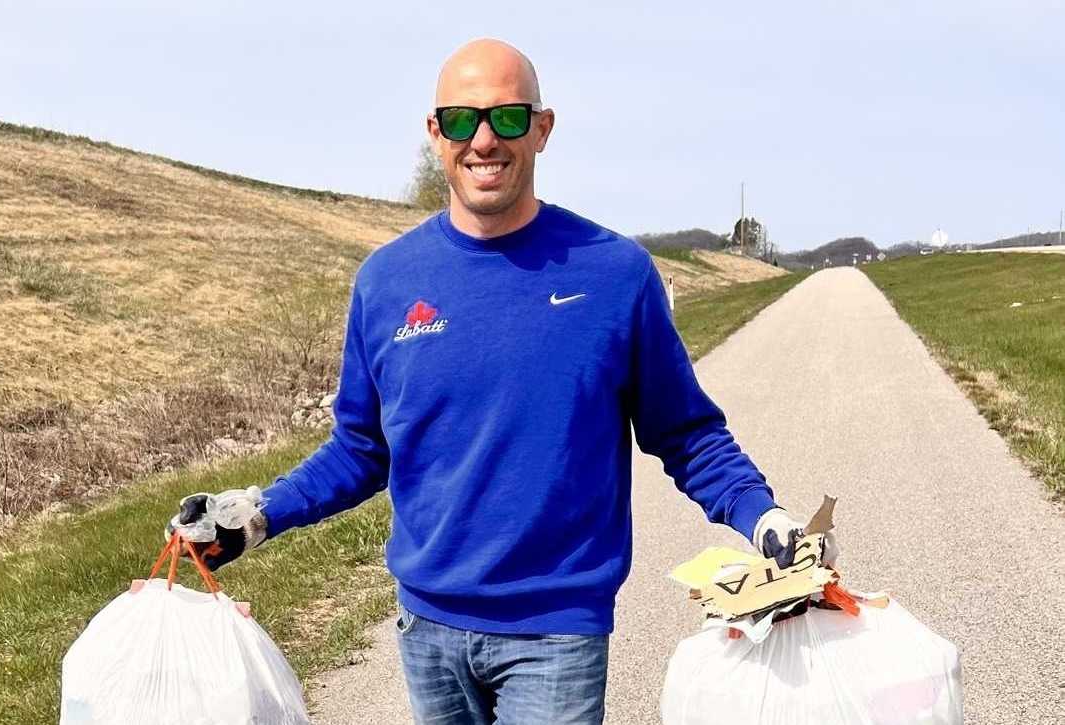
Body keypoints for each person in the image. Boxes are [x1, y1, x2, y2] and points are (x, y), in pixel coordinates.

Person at [166, 38, 826, 724]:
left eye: (507, 118)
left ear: (541, 127)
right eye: (460, 121)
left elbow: (686, 433)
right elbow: (361, 448)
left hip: (556, 631)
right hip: (428, 630)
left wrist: (763, 516)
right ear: (434, 133)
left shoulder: (613, 275)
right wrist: (256, 515)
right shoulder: (386, 282)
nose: (483, 139)